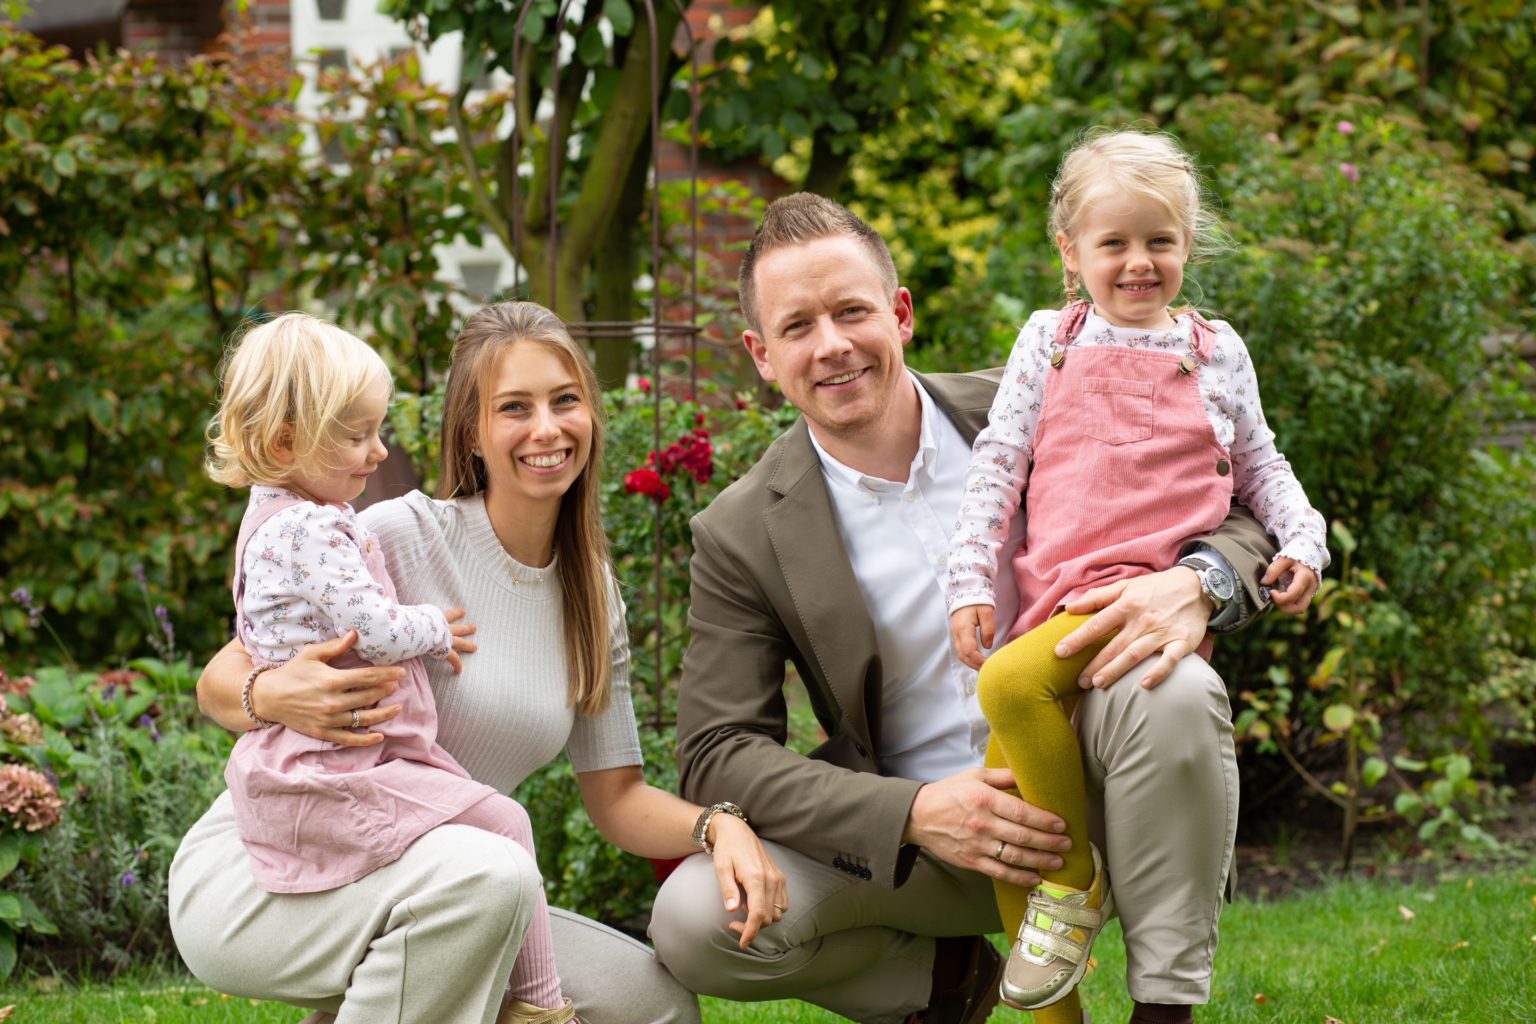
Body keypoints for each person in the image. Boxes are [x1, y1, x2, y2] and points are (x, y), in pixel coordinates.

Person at [647, 192, 1277, 1024]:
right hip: (932, 850)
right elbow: (719, 750)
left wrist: (1201, 583)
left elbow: (1243, 499)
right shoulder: (739, 531)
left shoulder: (1038, 398)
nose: (832, 345)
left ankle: (1165, 1007)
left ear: (900, 314)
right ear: (762, 355)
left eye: (851, 311)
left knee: (1179, 692)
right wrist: (911, 814)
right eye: (798, 327)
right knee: (695, 921)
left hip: (1104, 801)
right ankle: (950, 983)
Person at [170, 301, 787, 1024]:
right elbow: (220, 680)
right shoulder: (393, 534)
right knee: (492, 873)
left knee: (653, 1007)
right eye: (514, 408)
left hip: (447, 877)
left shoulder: (592, 598)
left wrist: (721, 826)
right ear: (472, 433)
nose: (547, 429)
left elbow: (616, 798)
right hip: (272, 867)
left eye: (565, 401)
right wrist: (271, 695)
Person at [943, 129, 1326, 1021]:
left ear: (1188, 244)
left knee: (1006, 683)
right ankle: (1060, 962)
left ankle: (1076, 889)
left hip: (1148, 600)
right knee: (1010, 827)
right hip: (1058, 598)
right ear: (1070, 253)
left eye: (1160, 241)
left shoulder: (1215, 350)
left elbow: (1263, 467)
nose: (1139, 262)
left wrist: (1304, 542)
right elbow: (999, 463)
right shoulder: (1052, 340)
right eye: (1113, 242)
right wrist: (969, 581)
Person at [202, 311, 573, 1022]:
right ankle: (544, 1010)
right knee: (502, 828)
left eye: (380, 428)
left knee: (493, 843)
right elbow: (366, 630)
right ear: (286, 440)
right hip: (339, 769)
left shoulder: (274, 516)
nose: (376, 451)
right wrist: (433, 627)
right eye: (355, 435)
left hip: (328, 767)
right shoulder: (324, 526)